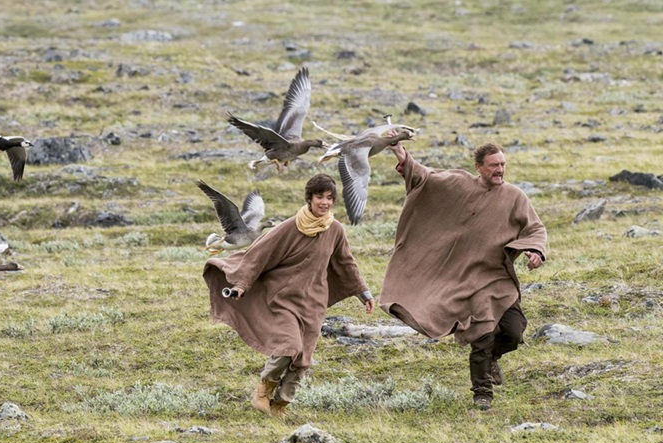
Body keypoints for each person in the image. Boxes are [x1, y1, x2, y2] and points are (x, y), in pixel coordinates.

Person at [378, 140, 547, 411]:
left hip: (497, 279)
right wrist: (401, 154)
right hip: (466, 281)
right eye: (494, 165)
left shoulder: (515, 197)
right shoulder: (458, 184)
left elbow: (535, 228)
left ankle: (493, 358)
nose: (500, 170)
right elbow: (425, 176)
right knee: (483, 334)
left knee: (514, 332)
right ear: (478, 167)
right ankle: (482, 392)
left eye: (503, 164)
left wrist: (535, 251)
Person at [203, 173, 375, 418]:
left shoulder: (335, 230)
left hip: (313, 302)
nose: (324, 202)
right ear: (309, 198)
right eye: (319, 197)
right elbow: (259, 253)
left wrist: (363, 293)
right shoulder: (290, 226)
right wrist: (241, 284)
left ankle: (280, 405)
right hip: (283, 298)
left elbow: (346, 263)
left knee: (303, 358)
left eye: (329, 198)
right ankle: (264, 388)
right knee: (288, 347)